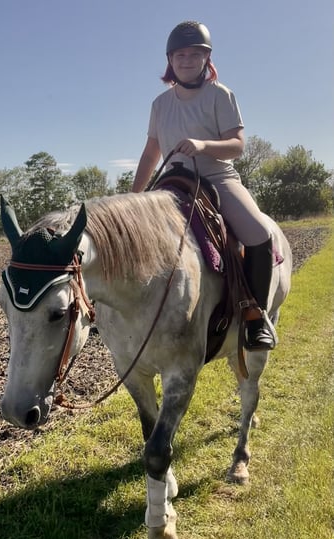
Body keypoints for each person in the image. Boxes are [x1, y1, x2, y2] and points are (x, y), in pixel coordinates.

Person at [132, 20, 277, 351]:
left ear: (206, 59)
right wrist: (134, 197)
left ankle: (256, 317)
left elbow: (237, 146)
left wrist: (202, 145)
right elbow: (151, 153)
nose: (187, 60)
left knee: (258, 233)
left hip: (217, 178)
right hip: (172, 181)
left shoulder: (220, 95)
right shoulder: (159, 104)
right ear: (170, 60)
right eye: (180, 55)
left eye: (195, 54)